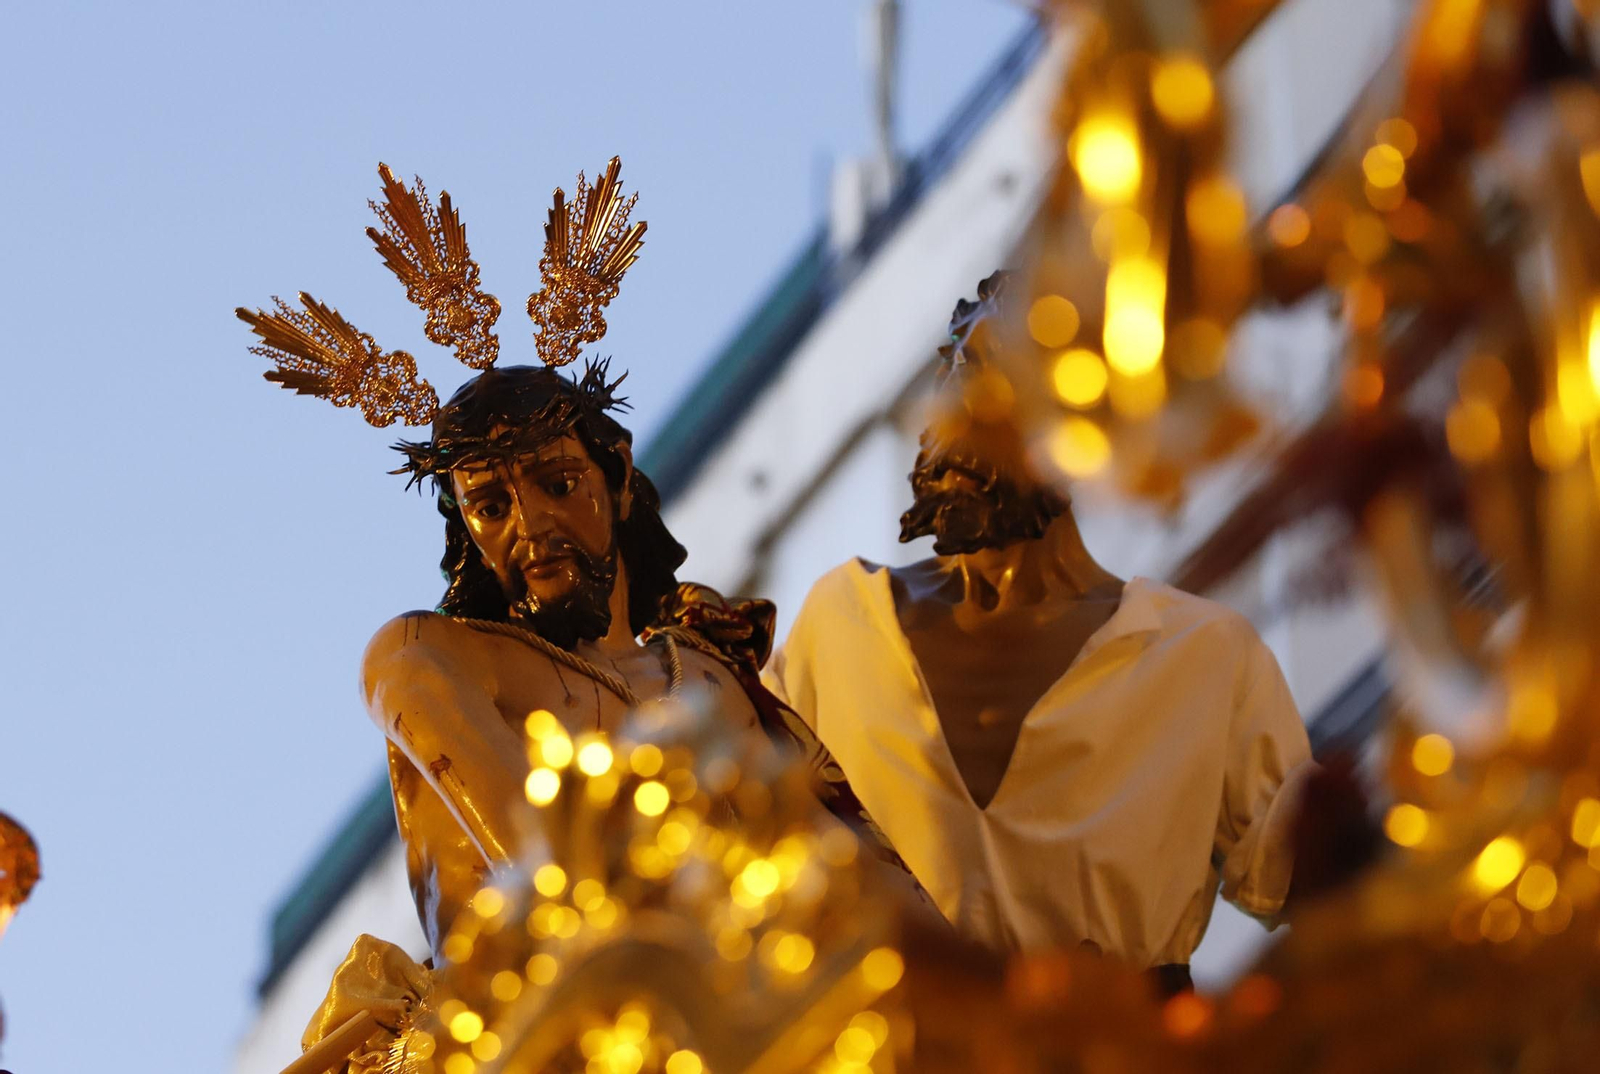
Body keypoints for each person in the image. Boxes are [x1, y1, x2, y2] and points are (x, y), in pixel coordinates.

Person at [239, 160, 896, 1073]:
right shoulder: (431, 656)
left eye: (557, 483)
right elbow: (550, 875)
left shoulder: (711, 673)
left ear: (618, 475)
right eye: (491, 506)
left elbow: (862, 882)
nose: (532, 527)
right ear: (464, 528)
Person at [763, 272, 1317, 993]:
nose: (962, 416)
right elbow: (746, 836)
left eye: (1001, 381)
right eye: (958, 377)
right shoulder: (841, 625)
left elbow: (1312, 878)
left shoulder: (1205, 655)